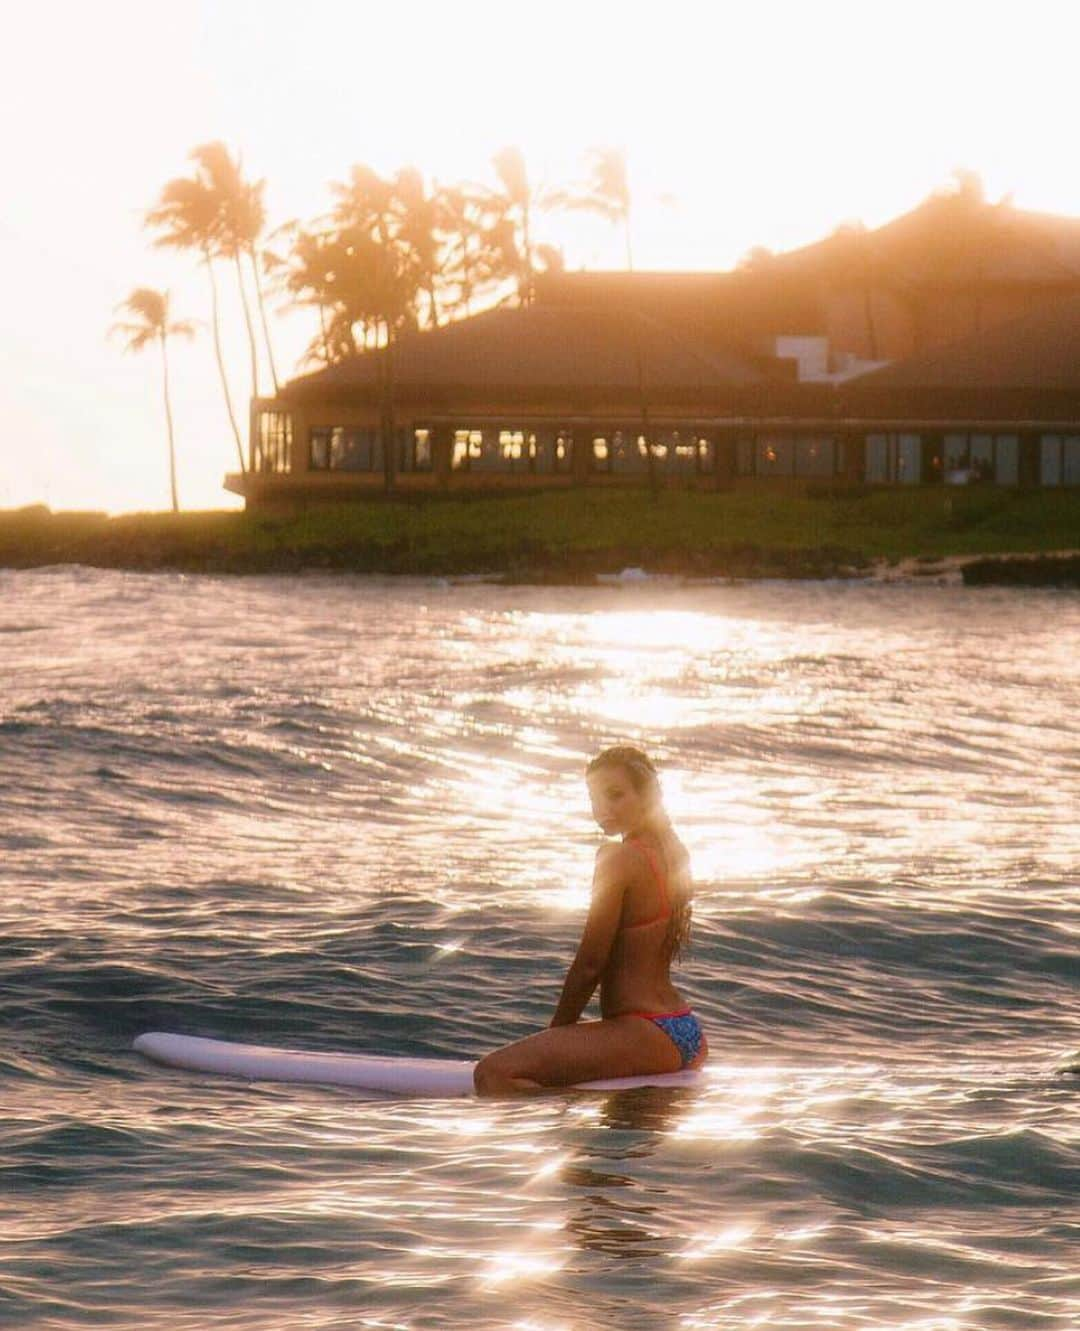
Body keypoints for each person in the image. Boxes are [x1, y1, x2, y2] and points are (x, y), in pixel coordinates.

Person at [473, 746, 707, 1095]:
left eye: (615, 796)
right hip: (685, 1031)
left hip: (644, 1031)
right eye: (594, 798)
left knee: (492, 1075)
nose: (602, 809)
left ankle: (572, 1110)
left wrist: (555, 1036)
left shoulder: (617, 858)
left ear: (647, 796)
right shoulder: (673, 854)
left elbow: (591, 964)